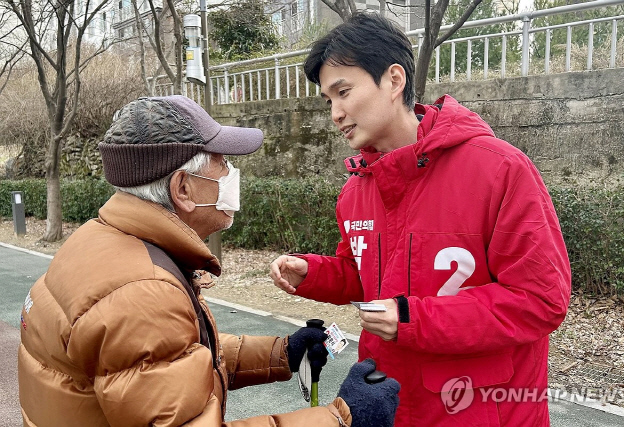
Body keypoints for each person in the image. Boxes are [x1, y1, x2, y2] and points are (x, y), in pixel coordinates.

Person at [18, 95, 400, 426]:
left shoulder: (105, 240)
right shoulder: (143, 293)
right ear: (183, 188)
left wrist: (281, 353)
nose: (233, 174)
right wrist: (341, 419)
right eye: (222, 163)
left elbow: (172, 360)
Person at [270, 13, 571, 427]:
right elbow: (367, 280)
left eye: (344, 92)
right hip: (386, 400)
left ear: (394, 80)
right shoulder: (357, 190)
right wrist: (313, 273)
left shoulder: (499, 170)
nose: (336, 113)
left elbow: (540, 299)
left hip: (478, 408)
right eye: (328, 101)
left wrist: (414, 319)